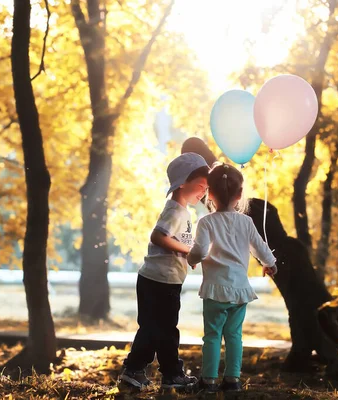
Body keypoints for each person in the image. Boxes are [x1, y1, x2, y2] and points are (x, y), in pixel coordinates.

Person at [118, 153, 210, 392]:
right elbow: (158, 236)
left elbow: (173, 243)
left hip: (158, 278)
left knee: (152, 328)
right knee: (164, 330)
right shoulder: (175, 211)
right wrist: (188, 251)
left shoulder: (181, 211)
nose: (203, 192)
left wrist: (187, 257)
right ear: (182, 183)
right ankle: (170, 374)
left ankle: (135, 371)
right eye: (200, 186)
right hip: (161, 281)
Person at [188, 163, 277, 393]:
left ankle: (208, 381)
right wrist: (270, 264)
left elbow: (199, 250)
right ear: (239, 194)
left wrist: (191, 259)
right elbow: (260, 247)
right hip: (238, 291)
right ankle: (232, 380)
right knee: (235, 335)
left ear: (210, 194)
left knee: (212, 336)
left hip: (215, 291)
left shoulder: (206, 222)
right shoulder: (246, 222)